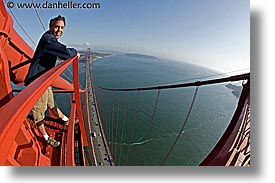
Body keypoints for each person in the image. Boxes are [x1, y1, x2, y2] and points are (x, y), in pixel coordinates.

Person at [25, 15, 80, 147]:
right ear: (51, 27)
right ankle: (45, 137)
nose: (59, 30)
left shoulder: (50, 39)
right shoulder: (48, 39)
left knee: (51, 103)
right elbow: (66, 52)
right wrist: (75, 52)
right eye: (57, 27)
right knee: (39, 112)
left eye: (62, 28)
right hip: (37, 82)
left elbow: (60, 52)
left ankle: (66, 120)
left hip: (44, 80)